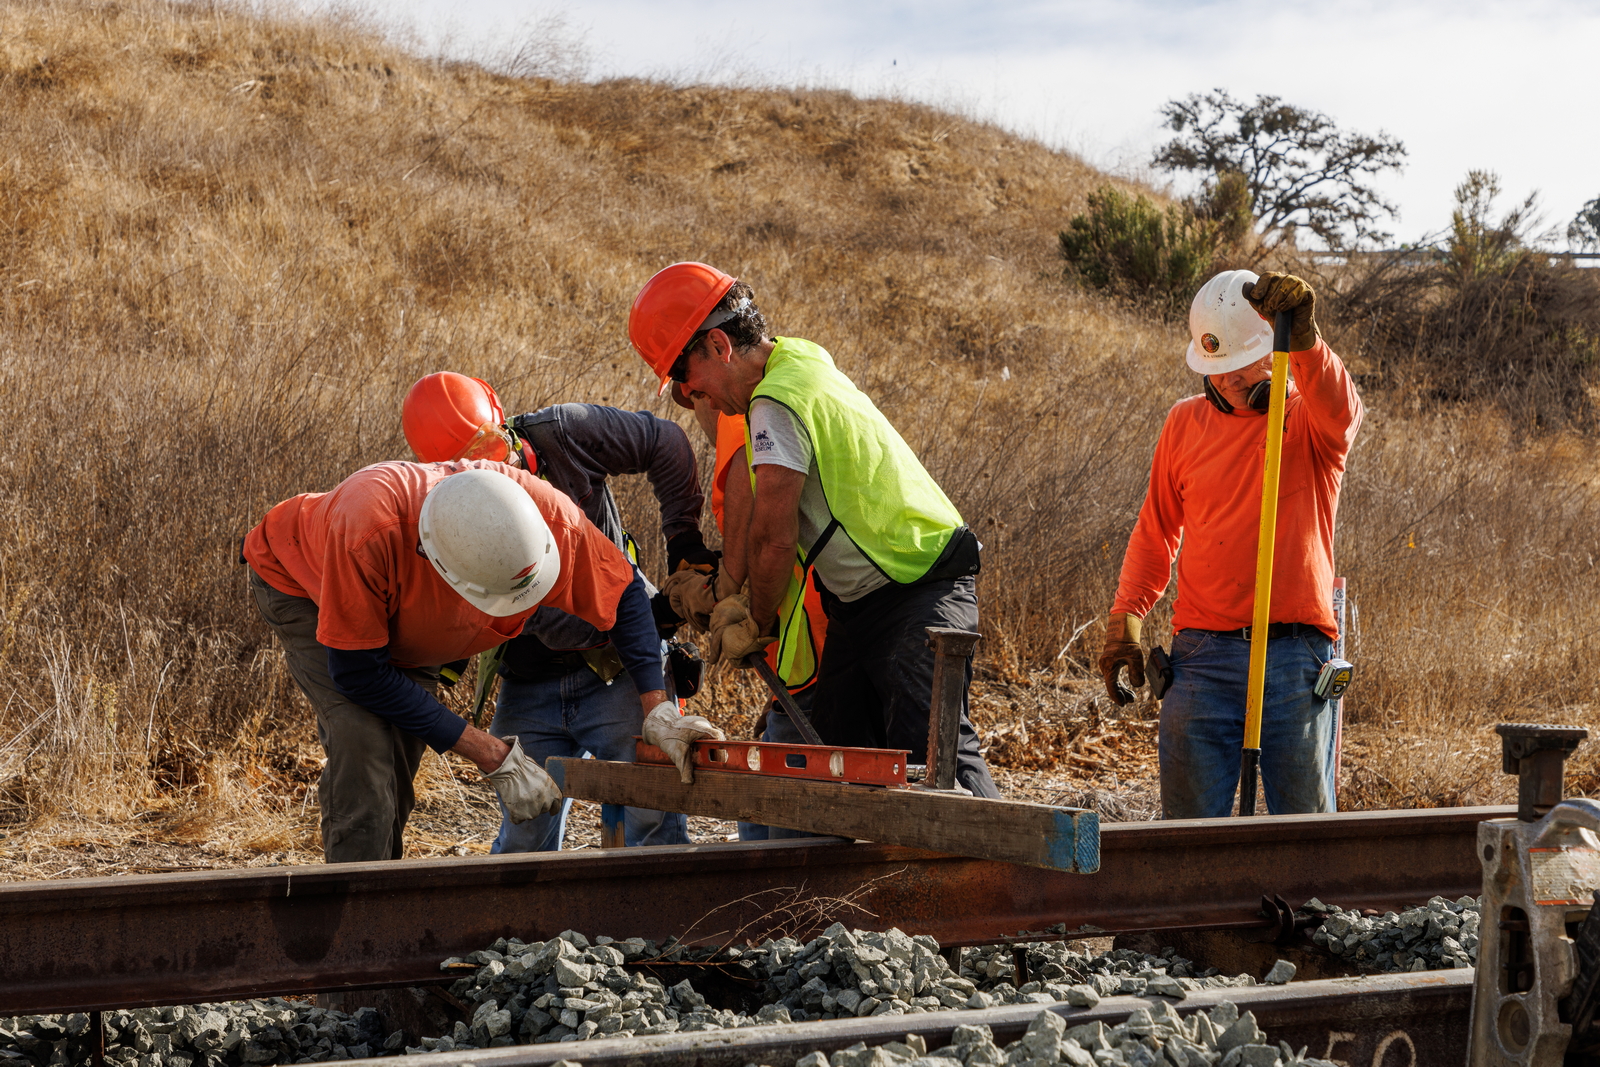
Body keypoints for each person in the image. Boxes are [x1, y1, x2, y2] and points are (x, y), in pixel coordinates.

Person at [629, 262, 1000, 798]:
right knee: (846, 763)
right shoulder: (797, 357)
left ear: (718, 345)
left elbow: (773, 538)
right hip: (863, 601)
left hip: (916, 587)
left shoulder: (775, 402)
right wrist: (732, 592)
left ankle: (1015, 856)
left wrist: (754, 623)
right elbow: (759, 513)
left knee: (938, 766)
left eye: (685, 377)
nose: (692, 395)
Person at [242, 460, 723, 863]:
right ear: (440, 567)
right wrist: (491, 754)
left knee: (400, 759)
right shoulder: (369, 527)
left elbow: (624, 594)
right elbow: (360, 673)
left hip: (408, 615)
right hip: (304, 583)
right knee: (364, 749)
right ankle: (354, 924)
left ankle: (380, 886)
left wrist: (656, 707)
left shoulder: (545, 514)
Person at [401, 372, 721, 852]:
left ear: (503, 422)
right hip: (530, 677)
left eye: (495, 452)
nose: (497, 474)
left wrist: (685, 546)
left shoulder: (565, 434)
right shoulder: (436, 508)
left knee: (655, 826)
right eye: (472, 468)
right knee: (523, 837)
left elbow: (667, 442)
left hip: (622, 663)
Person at [1097, 270, 1363, 819]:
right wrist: (1125, 620)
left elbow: (1342, 407)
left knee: (1306, 835)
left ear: (1276, 351)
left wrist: (1307, 339)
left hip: (1295, 657)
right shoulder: (1184, 423)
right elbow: (1157, 530)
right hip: (1201, 658)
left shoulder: (1310, 420)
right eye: (1218, 368)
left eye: (1244, 365)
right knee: (1189, 837)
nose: (1230, 380)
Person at [668, 381, 827, 838]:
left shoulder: (736, 428)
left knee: (787, 834)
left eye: (693, 398)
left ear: (700, 393)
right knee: (757, 827)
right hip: (806, 655)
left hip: (811, 659)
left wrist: (712, 594)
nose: (699, 411)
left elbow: (758, 547)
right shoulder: (766, 418)